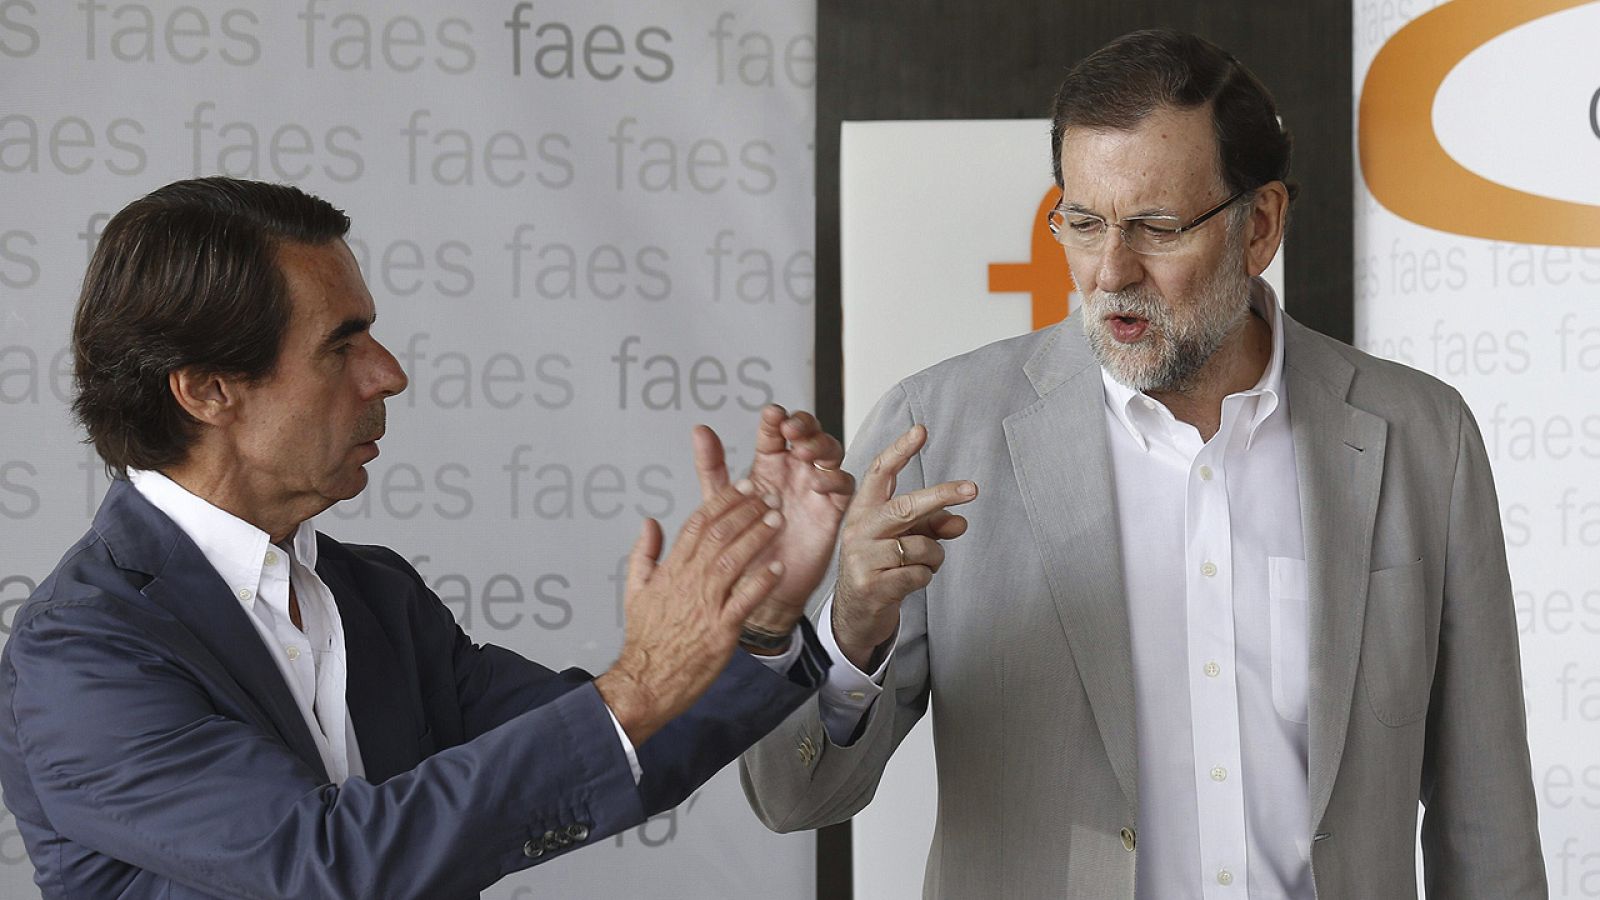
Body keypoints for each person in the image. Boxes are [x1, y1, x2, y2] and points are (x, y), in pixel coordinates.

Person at [741, 28, 1546, 899]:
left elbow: (1487, 822)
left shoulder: (1422, 436)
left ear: (1261, 225)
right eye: (1082, 223)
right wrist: (848, 627)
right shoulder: (937, 431)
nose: (1111, 271)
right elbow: (793, 796)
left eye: (1156, 228)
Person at [0, 176, 853, 899]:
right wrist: (637, 682)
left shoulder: (374, 593)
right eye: (342, 346)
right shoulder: (80, 653)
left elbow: (615, 752)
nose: (390, 373)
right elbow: (331, 864)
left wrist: (761, 617)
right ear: (208, 390)